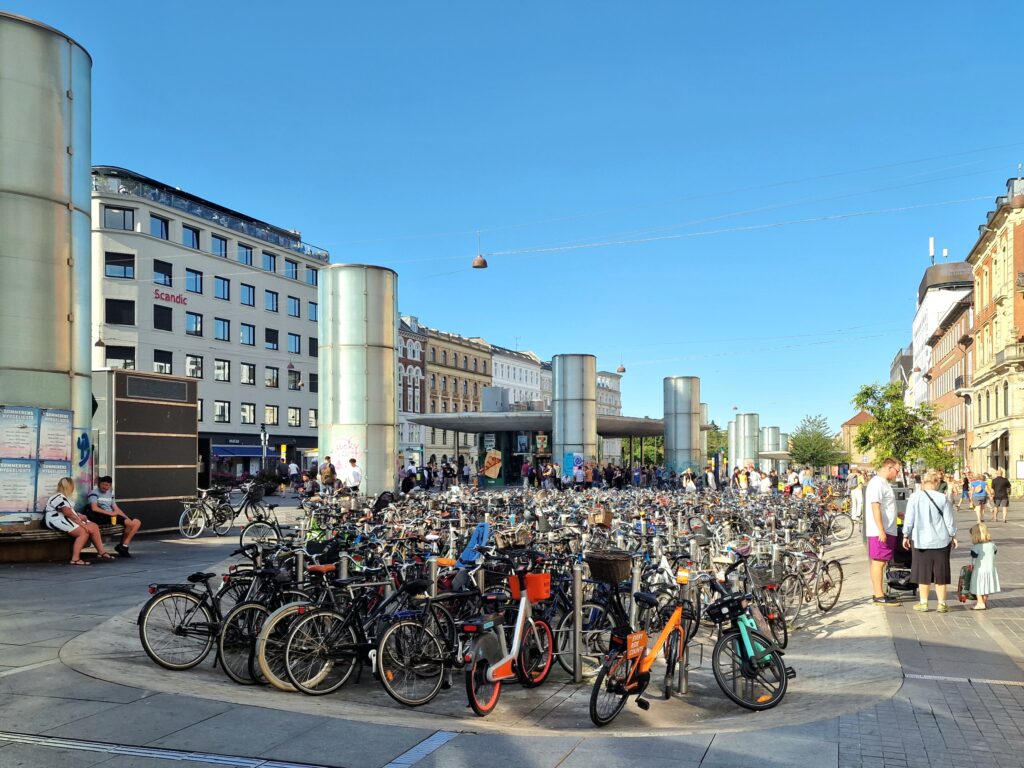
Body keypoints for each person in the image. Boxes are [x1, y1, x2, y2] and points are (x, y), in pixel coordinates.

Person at [902, 468, 958, 613]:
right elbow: (948, 520)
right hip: (941, 541)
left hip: (920, 541)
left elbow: (909, 519)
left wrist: (905, 535)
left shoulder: (915, 497)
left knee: (923, 572)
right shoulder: (942, 498)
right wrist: (953, 535)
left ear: (923, 482)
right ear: (936, 482)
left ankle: (924, 603)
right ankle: (941, 603)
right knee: (941, 573)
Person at [44, 477, 115, 565]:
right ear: (70, 486)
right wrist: (82, 524)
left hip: (65, 518)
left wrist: (80, 515)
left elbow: (70, 512)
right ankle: (75, 559)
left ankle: (101, 552)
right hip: (56, 520)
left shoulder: (65, 497)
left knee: (93, 526)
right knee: (83, 532)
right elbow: (68, 513)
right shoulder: (58, 497)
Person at [866, 458, 902, 606]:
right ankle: (879, 595)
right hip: (881, 530)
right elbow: (876, 506)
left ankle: (880, 593)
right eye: (897, 471)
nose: (897, 474)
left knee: (881, 561)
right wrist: (881, 529)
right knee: (878, 561)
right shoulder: (877, 483)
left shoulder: (883, 483)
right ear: (889, 467)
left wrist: (896, 514)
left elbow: (885, 506)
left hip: (887, 528)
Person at [86, 475, 142, 558]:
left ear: (110, 486)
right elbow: (94, 508)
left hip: (112, 515)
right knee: (129, 524)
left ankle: (124, 545)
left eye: (107, 485)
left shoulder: (110, 494)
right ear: (99, 484)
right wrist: (110, 513)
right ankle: (122, 546)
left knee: (136, 522)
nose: (104, 487)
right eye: (103, 484)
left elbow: (116, 508)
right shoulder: (94, 493)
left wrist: (125, 517)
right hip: (102, 516)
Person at [969, 523, 1000, 610]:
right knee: (986, 585)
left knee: (978, 586)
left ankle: (980, 603)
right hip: (990, 569)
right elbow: (995, 552)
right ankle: (983, 601)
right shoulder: (992, 545)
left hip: (979, 570)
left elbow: (973, 556)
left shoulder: (976, 547)